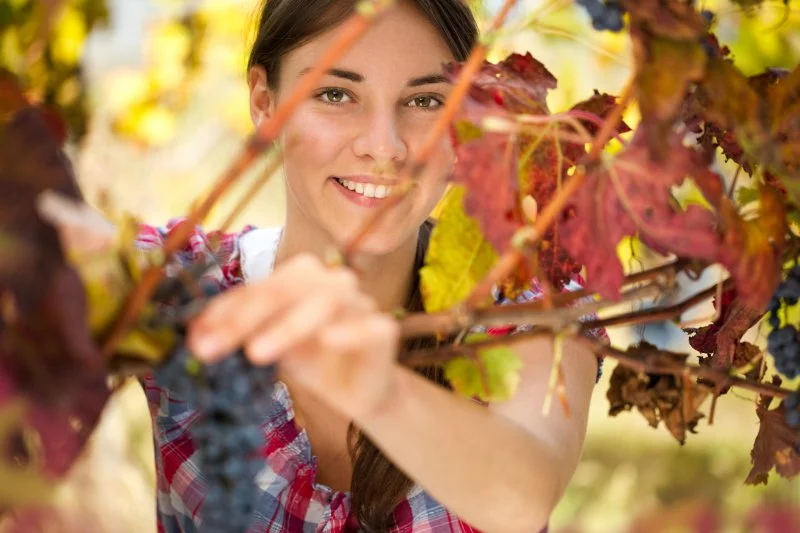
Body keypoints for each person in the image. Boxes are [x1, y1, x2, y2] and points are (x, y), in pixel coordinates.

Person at [60, 0, 603, 531]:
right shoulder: (184, 286)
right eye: (336, 93)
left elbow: (522, 500)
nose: (385, 147)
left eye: (424, 102)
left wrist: (374, 387)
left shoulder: (525, 301)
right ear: (264, 104)